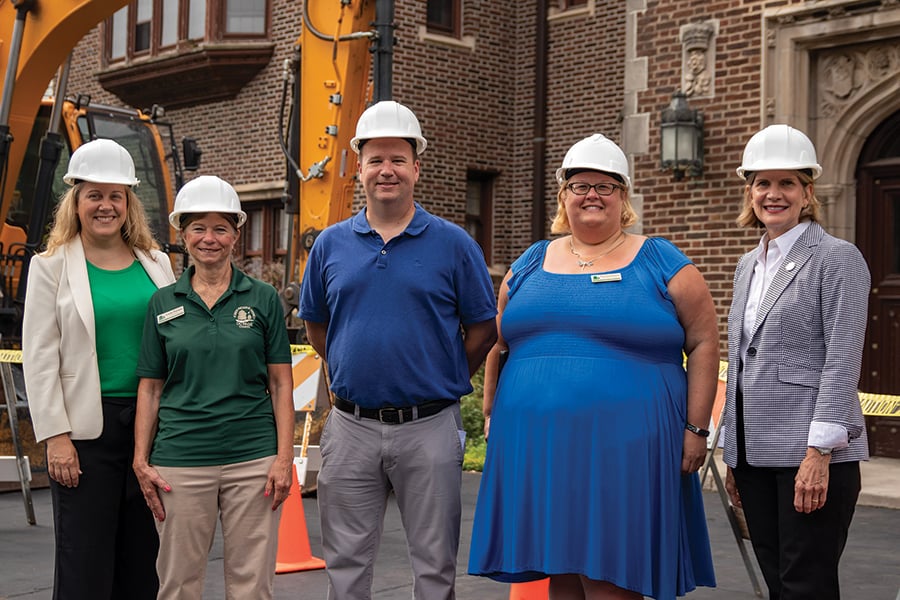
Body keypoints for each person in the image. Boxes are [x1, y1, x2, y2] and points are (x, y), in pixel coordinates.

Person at [468, 133, 719, 600]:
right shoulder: (529, 262)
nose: (592, 195)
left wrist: (696, 429)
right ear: (563, 196)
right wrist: (489, 412)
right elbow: (499, 343)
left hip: (629, 446)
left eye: (605, 186)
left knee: (613, 573)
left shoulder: (662, 260)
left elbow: (705, 342)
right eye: (580, 185)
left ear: (623, 197)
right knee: (558, 567)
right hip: (539, 445)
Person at [299, 100, 498, 600]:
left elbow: (483, 329)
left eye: (398, 159)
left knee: (434, 570)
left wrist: (445, 376)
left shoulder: (454, 244)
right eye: (375, 159)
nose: (386, 170)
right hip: (350, 428)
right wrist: (353, 367)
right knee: (344, 570)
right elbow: (318, 327)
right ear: (359, 167)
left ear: (416, 167)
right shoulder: (329, 245)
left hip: (429, 426)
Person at [722, 124, 870, 600]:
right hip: (754, 454)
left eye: (787, 183)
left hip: (811, 455)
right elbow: (740, 360)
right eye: (763, 183)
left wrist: (819, 454)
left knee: (806, 585)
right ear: (750, 192)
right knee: (778, 584)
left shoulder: (837, 258)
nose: (773, 194)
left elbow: (842, 360)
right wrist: (732, 448)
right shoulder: (748, 264)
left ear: (808, 193)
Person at [23, 138, 175, 599]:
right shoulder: (50, 267)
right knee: (83, 565)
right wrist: (56, 437)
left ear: (129, 203)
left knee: (142, 563)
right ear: (76, 201)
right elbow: (40, 356)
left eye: (116, 196)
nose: (105, 206)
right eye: (95, 195)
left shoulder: (158, 264)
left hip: (152, 430)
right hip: (85, 436)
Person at [132, 175, 294, 600]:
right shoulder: (163, 303)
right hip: (180, 461)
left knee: (252, 584)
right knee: (178, 583)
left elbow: (280, 383)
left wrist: (283, 459)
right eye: (198, 228)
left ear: (236, 235)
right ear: (183, 234)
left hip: (252, 459)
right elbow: (149, 389)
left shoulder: (262, 298)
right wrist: (140, 460)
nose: (210, 238)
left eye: (221, 227)